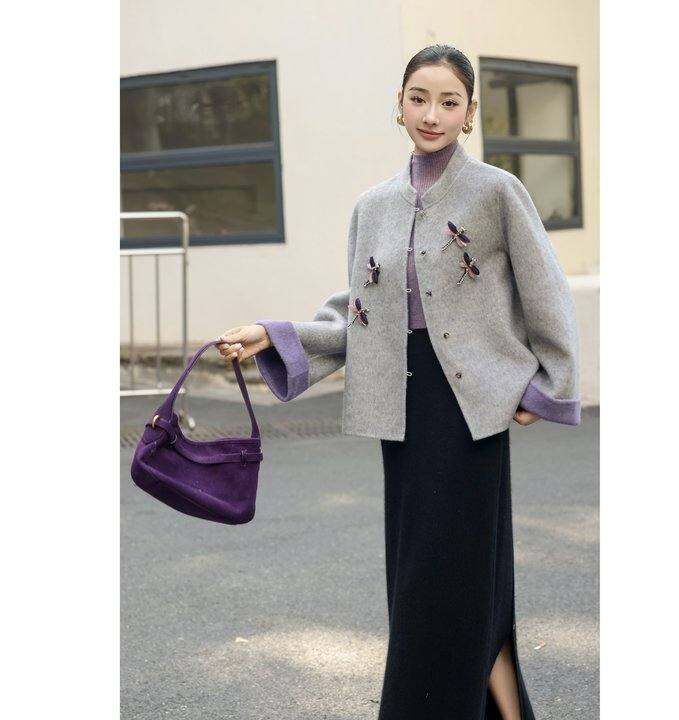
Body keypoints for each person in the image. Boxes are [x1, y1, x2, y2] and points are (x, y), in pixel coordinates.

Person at [215, 44, 580, 720]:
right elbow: (359, 315)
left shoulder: (497, 191)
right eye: (419, 98)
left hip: (468, 411)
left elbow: (546, 290)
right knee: (433, 582)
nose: (432, 114)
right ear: (400, 105)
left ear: (470, 112)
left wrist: (544, 383)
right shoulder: (373, 206)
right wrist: (274, 333)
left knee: (452, 583)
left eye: (448, 101)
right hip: (403, 409)